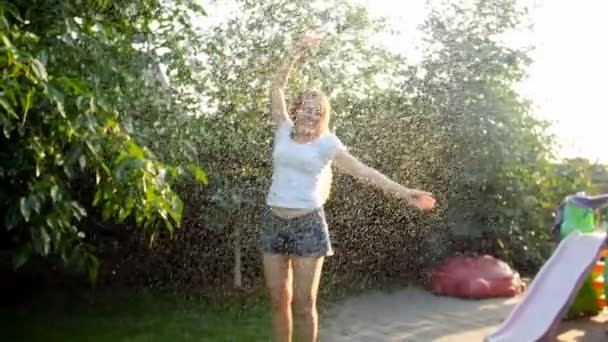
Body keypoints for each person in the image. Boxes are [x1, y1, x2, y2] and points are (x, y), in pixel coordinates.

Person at [258, 33, 437, 342]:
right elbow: (277, 86)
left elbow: (362, 170)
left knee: (303, 305)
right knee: (277, 302)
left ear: (323, 117)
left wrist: (404, 191)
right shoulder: (282, 129)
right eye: (307, 108)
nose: (311, 115)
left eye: (319, 112)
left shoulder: (327, 144)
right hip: (273, 221)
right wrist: (296, 51)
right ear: (297, 108)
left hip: (308, 225)